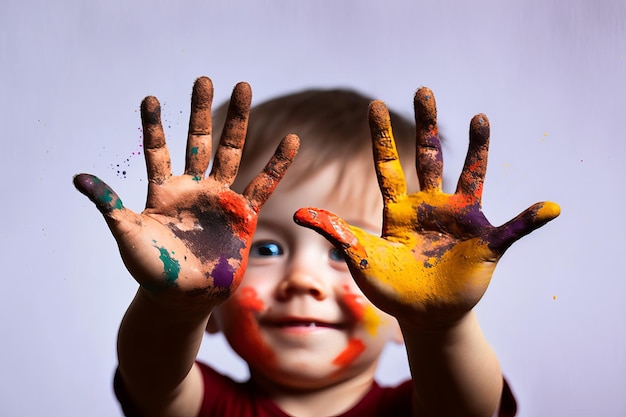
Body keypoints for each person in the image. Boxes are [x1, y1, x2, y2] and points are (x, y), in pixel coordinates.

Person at [73, 76, 559, 417]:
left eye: (344, 251)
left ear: (400, 320)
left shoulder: (420, 405)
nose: (303, 280)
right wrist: (175, 307)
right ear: (214, 312)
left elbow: (467, 406)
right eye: (264, 249)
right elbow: (151, 378)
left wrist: (440, 323)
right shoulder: (208, 406)